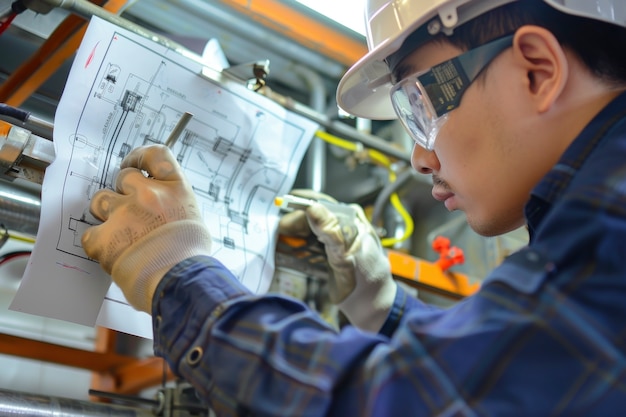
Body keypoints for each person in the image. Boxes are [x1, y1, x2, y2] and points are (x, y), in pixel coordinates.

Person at [81, 0, 626, 414]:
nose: (418, 157)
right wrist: (381, 306)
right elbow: (501, 379)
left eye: (419, 106)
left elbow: (403, 402)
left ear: (537, 71)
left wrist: (175, 272)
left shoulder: (608, 228)